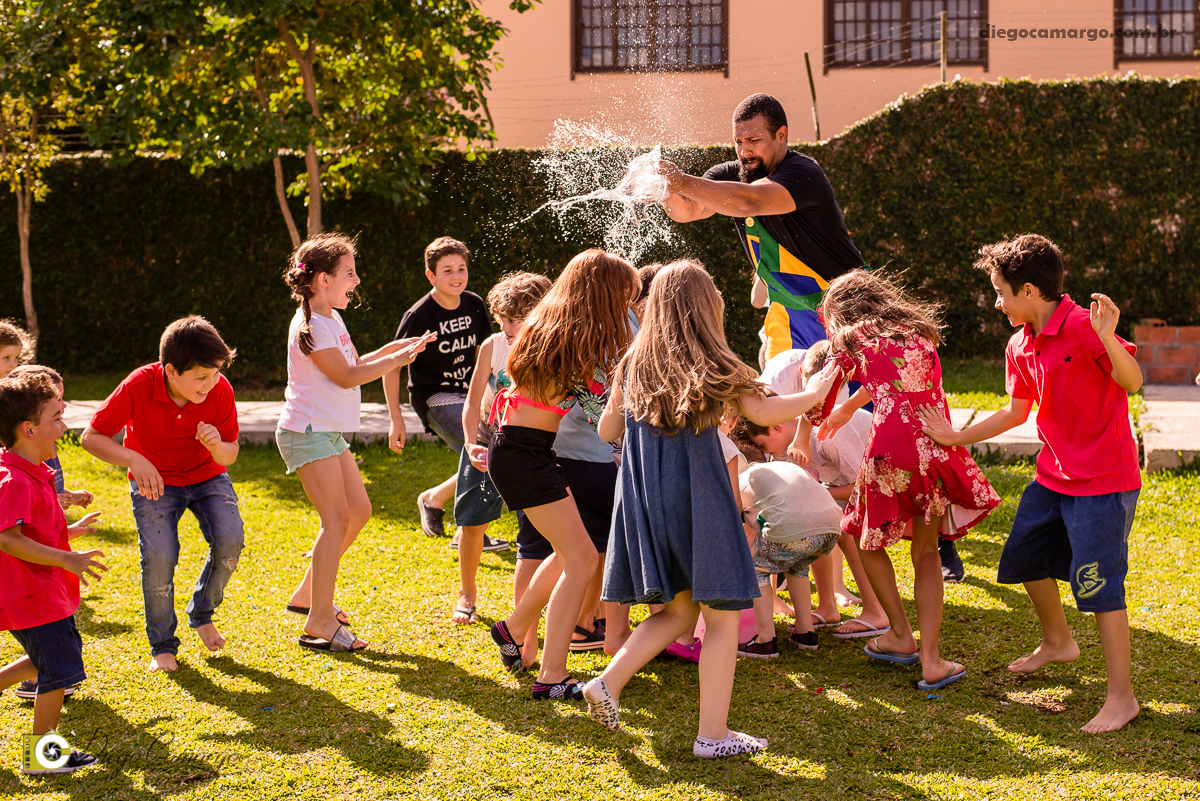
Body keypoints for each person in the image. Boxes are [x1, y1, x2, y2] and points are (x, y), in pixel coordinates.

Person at [582, 259, 840, 758]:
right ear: (706, 309)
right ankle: (712, 736)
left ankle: (607, 684)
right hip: (700, 506)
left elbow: (606, 432)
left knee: (678, 611)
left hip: (648, 507)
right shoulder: (716, 363)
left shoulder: (633, 363)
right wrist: (815, 392)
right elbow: (764, 413)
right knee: (721, 621)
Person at [919, 234, 1143, 733]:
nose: (997, 303)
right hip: (1053, 476)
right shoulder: (1019, 343)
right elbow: (1016, 411)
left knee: (1100, 588)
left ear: (1027, 290)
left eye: (1000, 292)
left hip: (1104, 482)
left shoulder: (1086, 326)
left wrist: (1109, 337)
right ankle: (1058, 641)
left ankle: (1121, 698)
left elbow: (1132, 381)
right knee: (1022, 557)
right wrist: (957, 436)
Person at [809, 269, 1000, 691]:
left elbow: (820, 394)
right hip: (934, 442)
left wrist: (819, 412)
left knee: (864, 539)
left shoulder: (850, 338)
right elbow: (895, 377)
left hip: (891, 447)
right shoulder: (918, 330)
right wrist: (851, 407)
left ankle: (898, 633)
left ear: (841, 313)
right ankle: (931, 660)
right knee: (928, 553)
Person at [483, 249, 638, 701]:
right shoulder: (575, 338)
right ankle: (551, 677)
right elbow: (597, 411)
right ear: (605, 293)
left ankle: (511, 629)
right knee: (584, 560)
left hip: (520, 451)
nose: (626, 305)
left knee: (577, 552)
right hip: (525, 456)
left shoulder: (548, 326)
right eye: (623, 296)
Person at [276, 233, 433, 653]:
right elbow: (345, 378)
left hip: (324, 432)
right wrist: (396, 361)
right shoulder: (310, 326)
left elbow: (355, 364)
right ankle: (319, 620)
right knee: (337, 519)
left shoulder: (330, 317)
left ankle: (309, 594)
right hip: (307, 433)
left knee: (358, 510)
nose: (357, 280)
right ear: (323, 279)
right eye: (349, 273)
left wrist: (397, 348)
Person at [82, 317, 244, 672]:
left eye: (215, 373)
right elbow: (91, 437)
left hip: (207, 476)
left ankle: (202, 613)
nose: (211, 383)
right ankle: (162, 645)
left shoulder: (220, 389)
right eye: (201, 376)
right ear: (170, 370)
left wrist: (217, 446)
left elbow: (230, 454)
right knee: (159, 558)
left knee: (231, 540)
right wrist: (134, 459)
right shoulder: (139, 384)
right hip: (154, 483)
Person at [654, 93, 864, 360]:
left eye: (753, 141)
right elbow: (687, 210)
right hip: (787, 316)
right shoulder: (729, 175)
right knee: (784, 397)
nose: (744, 151)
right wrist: (664, 188)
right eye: (738, 142)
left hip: (846, 309)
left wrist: (680, 180)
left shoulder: (804, 172)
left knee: (860, 401)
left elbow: (749, 201)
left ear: (781, 135)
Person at [727, 381, 892, 642]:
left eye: (763, 445)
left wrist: (820, 496)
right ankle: (827, 606)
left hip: (884, 476)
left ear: (776, 426)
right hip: (842, 486)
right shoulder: (784, 451)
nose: (766, 454)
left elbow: (867, 482)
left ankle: (876, 611)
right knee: (811, 522)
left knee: (848, 530)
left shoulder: (831, 432)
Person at [0, 370, 104, 774]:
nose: (64, 428)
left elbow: (33, 526)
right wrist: (66, 558)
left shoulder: (29, 471)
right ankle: (42, 758)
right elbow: (7, 538)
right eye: (56, 419)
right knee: (58, 670)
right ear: (28, 429)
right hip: (34, 595)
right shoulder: (15, 480)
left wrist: (68, 531)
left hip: (39, 594)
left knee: (46, 657)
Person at [385, 237, 498, 548]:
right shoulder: (419, 316)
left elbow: (484, 354)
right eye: (447, 270)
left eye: (461, 268)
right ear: (431, 276)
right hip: (436, 397)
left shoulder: (474, 303)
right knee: (485, 449)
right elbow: (390, 366)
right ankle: (469, 531)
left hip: (471, 392)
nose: (456, 276)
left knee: (499, 449)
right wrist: (396, 419)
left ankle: (434, 499)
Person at [453, 271, 551, 625]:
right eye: (502, 319)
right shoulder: (492, 346)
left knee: (537, 529)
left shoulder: (549, 348)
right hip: (484, 440)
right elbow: (472, 399)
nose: (507, 327)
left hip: (529, 446)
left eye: (515, 320)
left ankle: (530, 605)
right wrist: (469, 442)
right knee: (473, 522)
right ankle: (467, 592)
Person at [736, 456, 842, 657]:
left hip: (796, 528)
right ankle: (805, 633)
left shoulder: (742, 480)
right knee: (797, 566)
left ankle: (765, 640)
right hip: (831, 527)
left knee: (755, 569)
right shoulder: (778, 469)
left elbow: (742, 527)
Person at [8, 366, 92, 510]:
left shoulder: (45, 444)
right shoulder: (27, 452)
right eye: (58, 398)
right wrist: (50, 501)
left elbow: (44, 486)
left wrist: (70, 496)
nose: (64, 405)